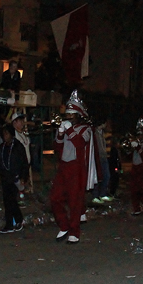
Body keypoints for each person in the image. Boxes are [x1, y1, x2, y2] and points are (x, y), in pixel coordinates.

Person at [50, 91, 97, 244]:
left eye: (72, 114)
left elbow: (79, 143)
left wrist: (69, 130)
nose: (68, 116)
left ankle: (74, 231)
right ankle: (64, 225)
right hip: (64, 166)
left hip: (77, 168)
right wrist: (60, 133)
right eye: (67, 114)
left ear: (78, 115)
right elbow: (56, 147)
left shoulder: (86, 129)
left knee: (75, 201)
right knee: (55, 198)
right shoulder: (67, 126)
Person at [0, 124, 30, 233]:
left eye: (6, 133)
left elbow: (24, 162)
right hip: (5, 177)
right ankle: (14, 222)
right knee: (8, 201)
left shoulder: (17, 146)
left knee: (11, 200)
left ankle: (12, 223)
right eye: (3, 134)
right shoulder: (2, 147)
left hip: (15, 178)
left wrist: (23, 177)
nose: (4, 136)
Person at [128, 119, 143, 215]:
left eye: (141, 134)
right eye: (138, 135)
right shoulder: (137, 143)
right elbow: (130, 155)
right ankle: (136, 209)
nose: (139, 137)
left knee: (141, 190)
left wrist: (137, 147)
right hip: (135, 168)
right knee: (133, 189)